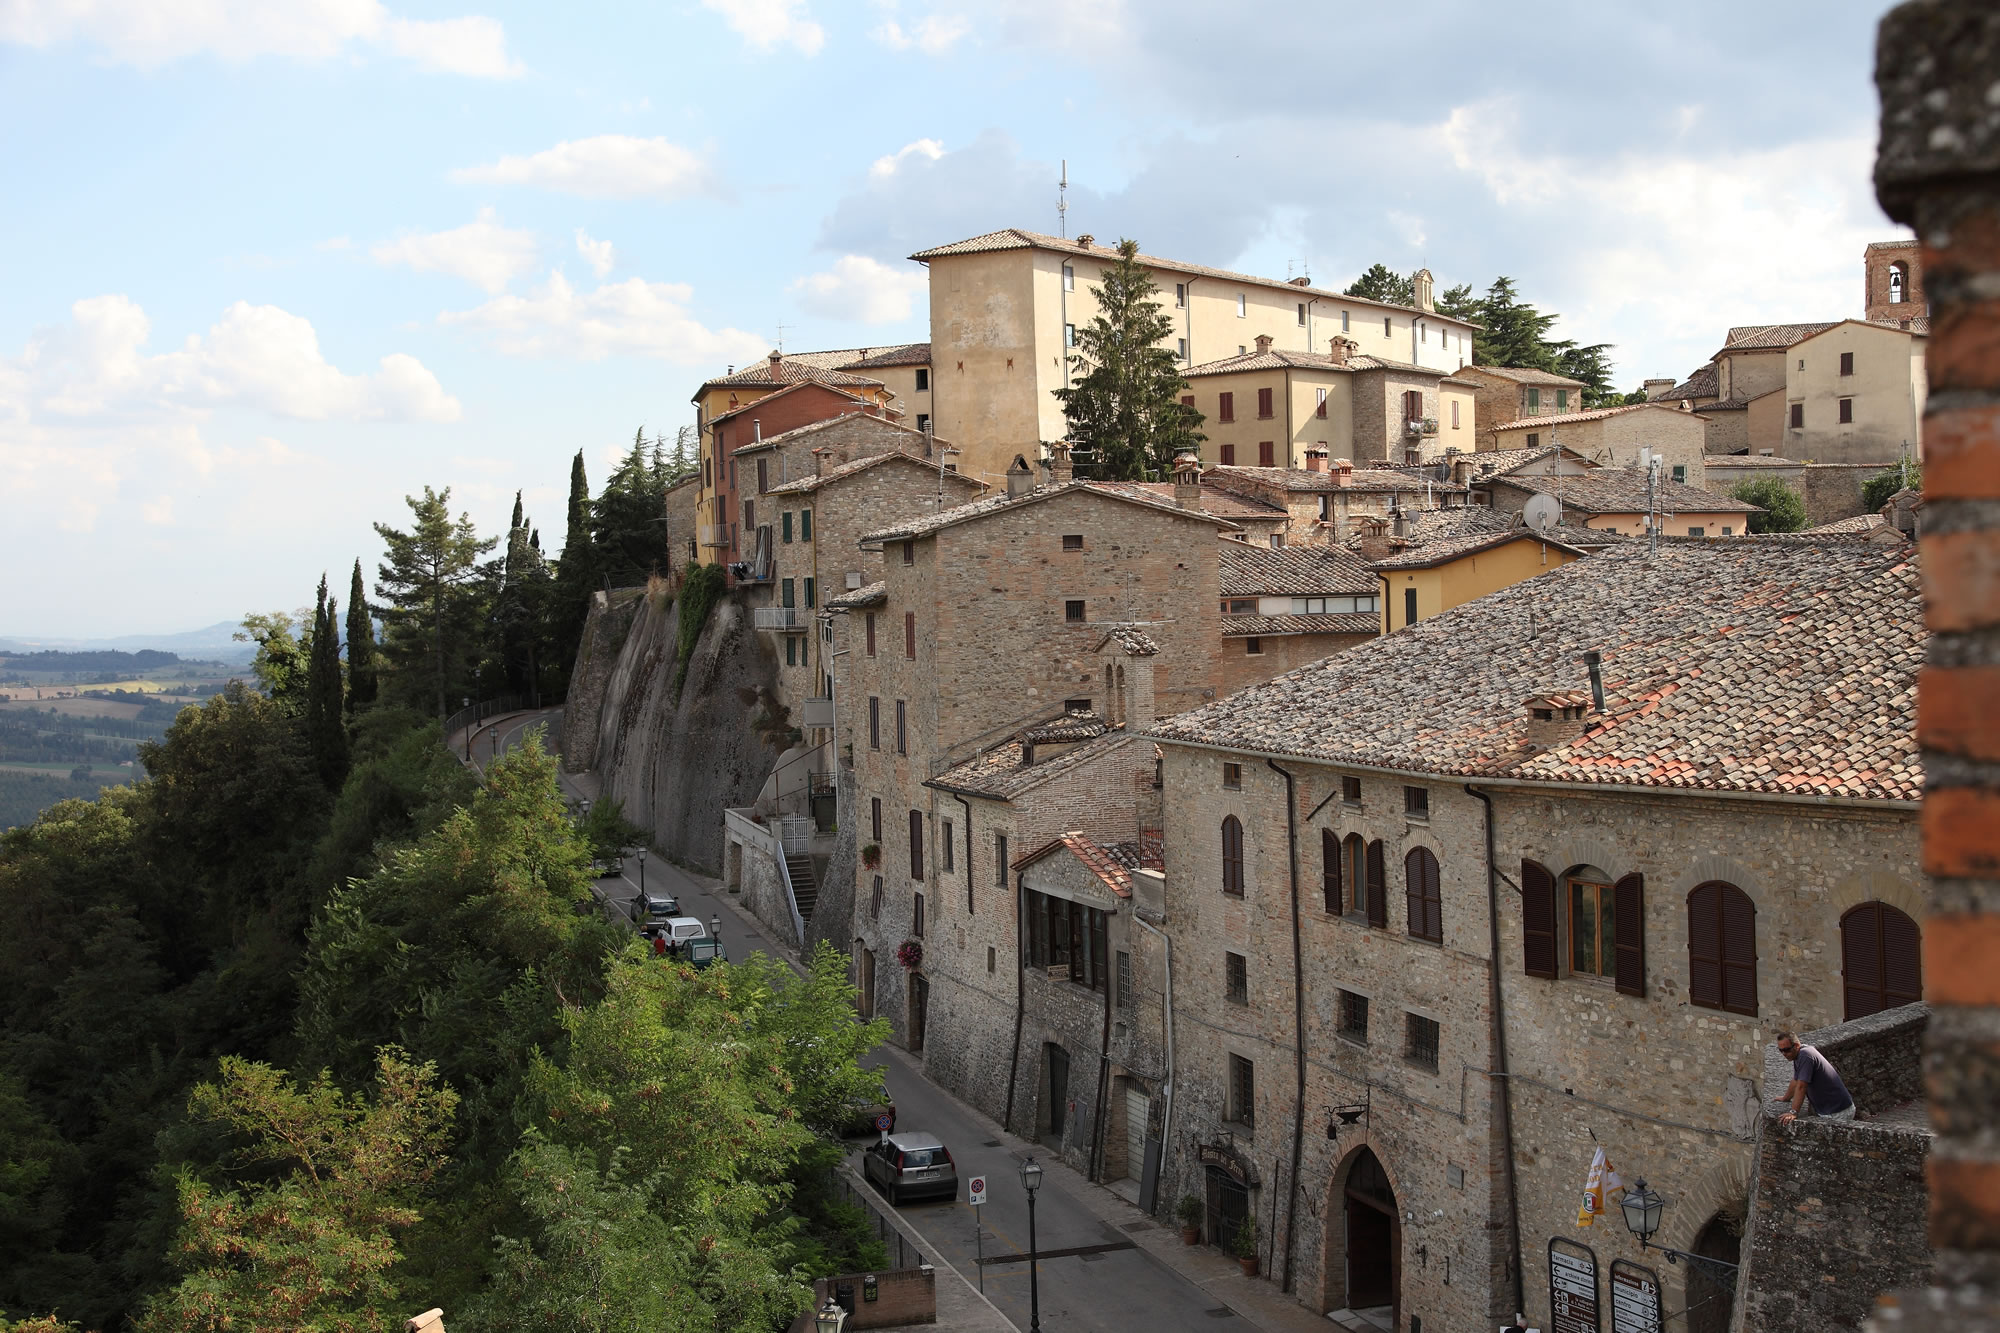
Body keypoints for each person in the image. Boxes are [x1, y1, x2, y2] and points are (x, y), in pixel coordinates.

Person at [1776, 1031, 1854, 1124]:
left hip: (1837, 1111)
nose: (1784, 1054)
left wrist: (1793, 1112)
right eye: (1781, 1050)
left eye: (1787, 1050)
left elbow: (1801, 1086)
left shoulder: (1806, 1056)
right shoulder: (1799, 1055)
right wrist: (1786, 1098)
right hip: (1835, 1109)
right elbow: (1796, 1080)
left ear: (1796, 1045)